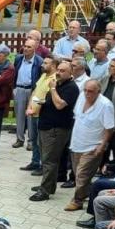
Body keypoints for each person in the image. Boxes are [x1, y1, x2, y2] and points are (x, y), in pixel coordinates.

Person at [31, 61, 79, 202]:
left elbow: (59, 105)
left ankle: (44, 191)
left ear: (71, 73)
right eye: (58, 70)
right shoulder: (58, 83)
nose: (58, 73)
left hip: (56, 129)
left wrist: (52, 89)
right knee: (47, 159)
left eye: (63, 70)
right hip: (45, 126)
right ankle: (48, 185)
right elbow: (52, 102)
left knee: (49, 160)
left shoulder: (71, 88)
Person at [65, 80, 115, 212]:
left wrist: (102, 145)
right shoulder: (81, 97)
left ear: (98, 91)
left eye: (91, 91)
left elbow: (109, 128)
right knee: (78, 174)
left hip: (93, 146)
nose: (87, 93)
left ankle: (77, 201)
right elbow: (77, 117)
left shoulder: (106, 105)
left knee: (82, 175)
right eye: (85, 90)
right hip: (77, 143)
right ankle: (86, 193)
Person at [12, 39, 42, 149]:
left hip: (32, 90)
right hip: (19, 89)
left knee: (31, 116)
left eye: (29, 47)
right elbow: (14, 73)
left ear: (35, 48)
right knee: (19, 116)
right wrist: (14, 88)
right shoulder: (18, 58)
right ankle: (19, 139)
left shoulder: (39, 61)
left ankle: (31, 141)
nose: (26, 48)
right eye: (25, 46)